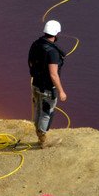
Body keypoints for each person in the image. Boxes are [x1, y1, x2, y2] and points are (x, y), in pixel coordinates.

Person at [27, 19, 67, 148]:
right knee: (46, 113)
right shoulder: (52, 52)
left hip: (36, 85)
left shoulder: (35, 44)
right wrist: (61, 91)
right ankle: (42, 140)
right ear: (56, 34)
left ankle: (39, 133)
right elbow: (53, 74)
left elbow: (31, 63)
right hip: (48, 89)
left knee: (38, 109)